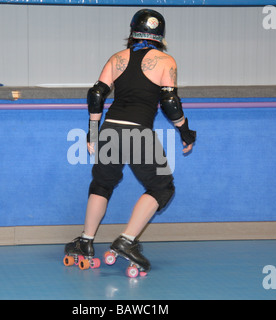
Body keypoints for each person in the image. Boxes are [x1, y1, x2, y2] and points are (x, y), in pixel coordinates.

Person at [64, 9, 196, 275]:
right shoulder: (165, 61)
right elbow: (170, 104)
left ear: (132, 31)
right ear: (160, 35)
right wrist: (185, 131)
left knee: (102, 183)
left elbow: (96, 95)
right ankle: (126, 241)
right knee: (162, 188)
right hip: (138, 132)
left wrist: (92, 132)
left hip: (111, 129)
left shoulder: (117, 58)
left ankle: (86, 242)